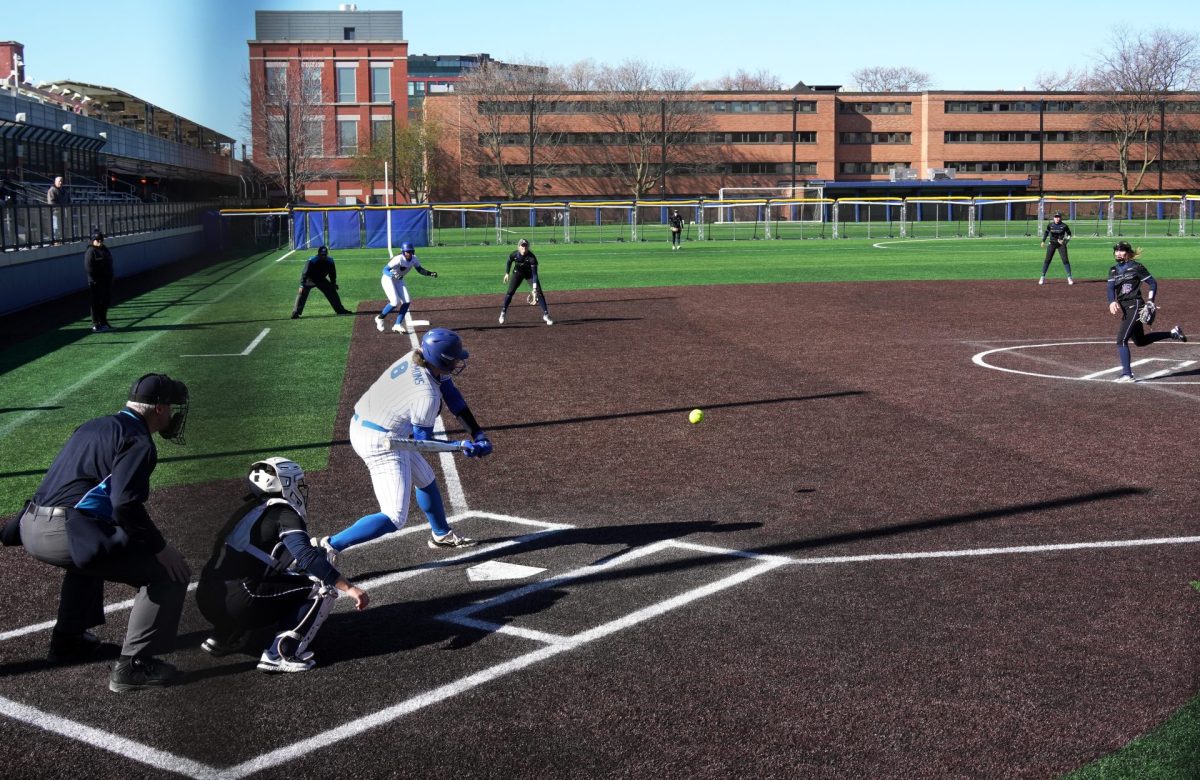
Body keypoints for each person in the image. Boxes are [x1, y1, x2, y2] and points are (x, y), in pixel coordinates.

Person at [16, 373, 191, 692]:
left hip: (30, 525)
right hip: (63, 532)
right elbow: (125, 505)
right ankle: (135, 665)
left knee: (92, 554)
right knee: (169, 573)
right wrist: (159, 547)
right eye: (172, 406)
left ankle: (68, 640)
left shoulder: (93, 425)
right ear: (160, 409)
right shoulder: (138, 441)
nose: (175, 414)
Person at [318, 328, 493, 557]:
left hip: (370, 424)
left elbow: (452, 395)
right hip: (381, 442)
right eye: (456, 358)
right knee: (394, 516)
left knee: (426, 478)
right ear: (442, 360)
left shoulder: (419, 357)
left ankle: (441, 534)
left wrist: (477, 433)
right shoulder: (426, 396)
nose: (460, 361)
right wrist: (461, 446)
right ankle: (328, 547)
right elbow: (423, 443)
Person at [196, 458, 369, 673]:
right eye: (297, 482)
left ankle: (223, 635)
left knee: (272, 575)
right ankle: (281, 653)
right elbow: (306, 556)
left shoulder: (246, 510)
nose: (300, 488)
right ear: (285, 484)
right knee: (321, 589)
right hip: (241, 600)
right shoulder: (285, 513)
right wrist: (350, 588)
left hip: (207, 597)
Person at [1106, 240, 1187, 383]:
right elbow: (1110, 288)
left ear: (1128, 253)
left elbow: (1152, 283)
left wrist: (1150, 301)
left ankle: (1127, 374)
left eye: (1121, 250)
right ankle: (1173, 333)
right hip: (1125, 309)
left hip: (1135, 306)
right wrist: (1112, 301)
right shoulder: (1113, 270)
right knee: (1140, 341)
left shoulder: (1136, 267)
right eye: (1116, 250)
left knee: (1121, 340)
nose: (1118, 253)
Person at [375, 241, 437, 334]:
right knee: (394, 302)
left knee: (407, 301)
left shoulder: (414, 259)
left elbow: (420, 269)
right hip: (388, 279)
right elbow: (384, 269)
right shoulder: (398, 259)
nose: (409, 253)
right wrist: (392, 274)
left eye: (411, 251)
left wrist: (430, 273)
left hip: (399, 280)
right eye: (407, 251)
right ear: (403, 252)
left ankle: (397, 325)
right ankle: (380, 318)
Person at [499, 238, 553, 326]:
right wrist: (507, 273)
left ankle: (546, 315)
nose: (524, 247)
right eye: (522, 246)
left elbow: (535, 274)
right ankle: (503, 312)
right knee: (510, 292)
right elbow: (509, 261)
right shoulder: (514, 254)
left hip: (529, 275)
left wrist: (534, 289)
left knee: (539, 293)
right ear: (519, 247)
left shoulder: (532, 258)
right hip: (518, 273)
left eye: (526, 246)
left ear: (528, 247)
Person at [292, 245, 352, 319]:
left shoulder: (330, 261)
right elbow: (305, 273)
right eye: (322, 254)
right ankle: (295, 312)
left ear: (327, 254)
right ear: (318, 254)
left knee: (332, 291)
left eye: (325, 254)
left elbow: (332, 274)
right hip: (310, 279)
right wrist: (302, 285)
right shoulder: (311, 260)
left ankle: (340, 310)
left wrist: (333, 283)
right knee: (301, 293)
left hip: (321, 280)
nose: (323, 256)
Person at [84, 230, 114, 332]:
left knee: (105, 302)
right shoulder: (91, 251)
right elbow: (89, 268)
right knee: (96, 303)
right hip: (96, 282)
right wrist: (97, 279)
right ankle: (95, 324)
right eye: (97, 240)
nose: (100, 242)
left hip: (106, 281)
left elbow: (109, 263)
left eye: (101, 240)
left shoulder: (104, 249)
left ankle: (103, 321)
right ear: (93, 240)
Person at [1039, 212, 1073, 285]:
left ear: (1061, 218)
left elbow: (1069, 234)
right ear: (1054, 218)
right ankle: (1042, 277)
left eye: (1058, 217)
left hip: (1061, 245)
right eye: (1056, 217)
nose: (1057, 218)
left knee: (1065, 260)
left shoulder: (1064, 226)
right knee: (1047, 260)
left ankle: (1069, 277)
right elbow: (1046, 233)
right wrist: (1043, 241)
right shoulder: (1050, 225)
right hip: (1052, 243)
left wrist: (1066, 241)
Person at [47, 175, 69, 243]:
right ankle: (56, 240)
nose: (60, 183)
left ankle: (63, 239)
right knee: (56, 227)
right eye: (59, 181)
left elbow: (68, 200)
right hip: (55, 212)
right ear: (55, 182)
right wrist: (58, 208)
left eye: (62, 181)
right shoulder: (52, 190)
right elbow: (51, 202)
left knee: (63, 226)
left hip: (63, 211)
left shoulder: (64, 190)